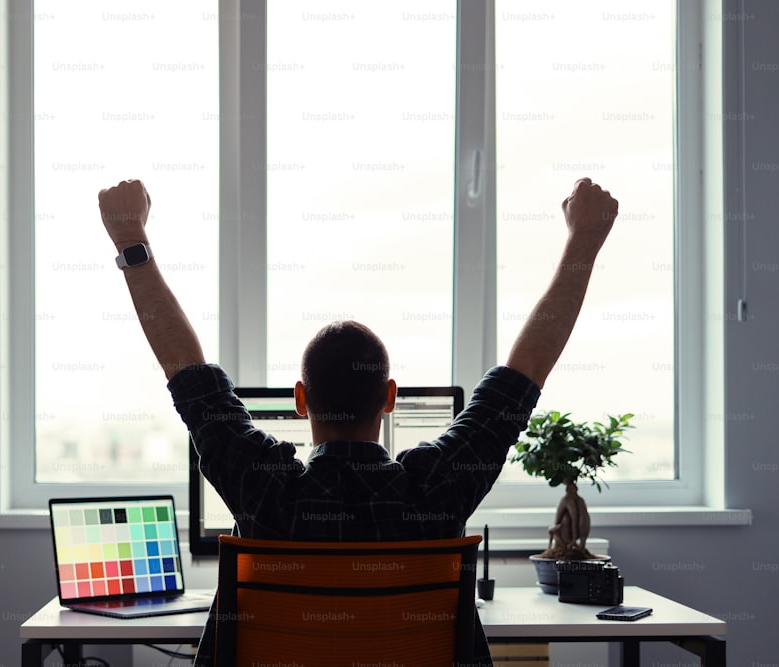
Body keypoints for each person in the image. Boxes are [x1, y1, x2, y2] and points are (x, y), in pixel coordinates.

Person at [97, 177, 618, 666]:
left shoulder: (264, 490)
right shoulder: (436, 489)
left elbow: (187, 373)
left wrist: (131, 238)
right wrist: (583, 243)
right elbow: (522, 377)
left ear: (301, 400)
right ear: (389, 398)